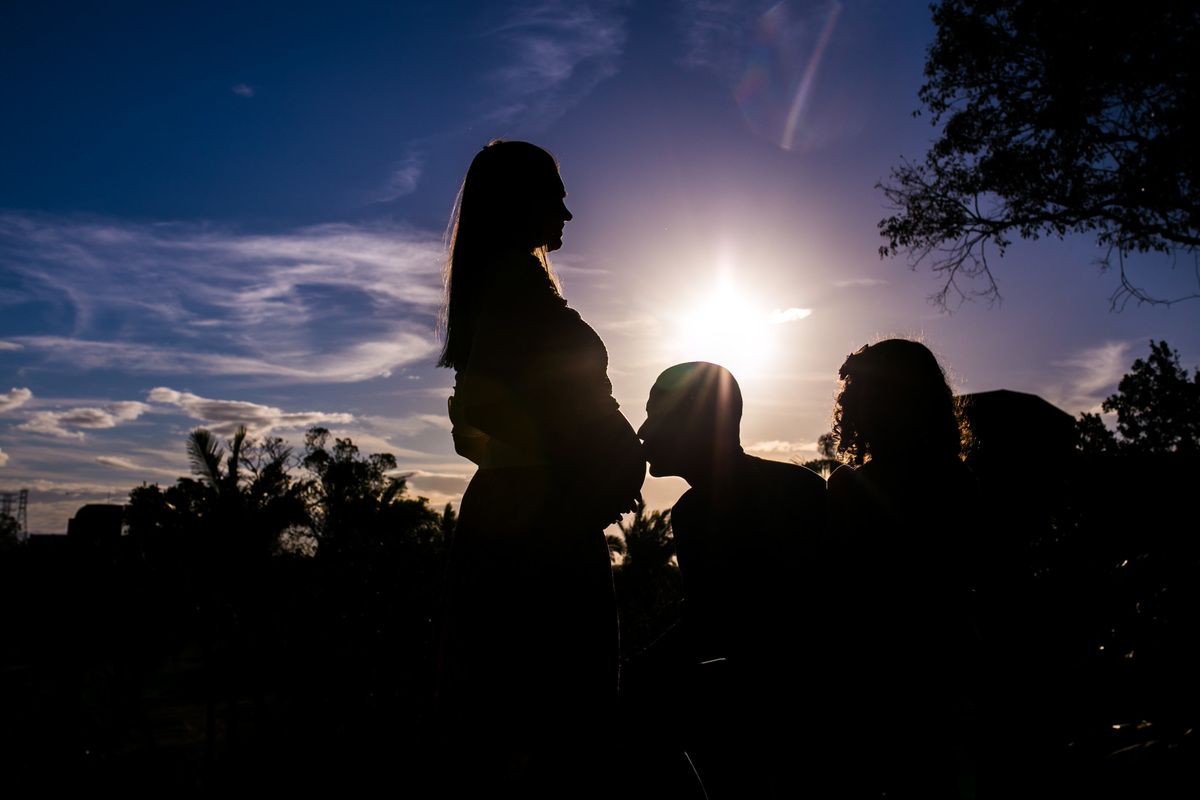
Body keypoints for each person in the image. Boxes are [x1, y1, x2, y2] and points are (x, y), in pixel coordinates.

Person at [434, 140, 644, 796]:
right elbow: (493, 413)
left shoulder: (512, 296)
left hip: (545, 527)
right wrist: (586, 477)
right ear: (515, 202)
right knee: (554, 732)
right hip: (539, 540)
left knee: (538, 731)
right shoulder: (512, 301)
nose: (567, 213)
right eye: (554, 195)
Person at [633, 362, 827, 798]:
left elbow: (711, 626)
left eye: (655, 416)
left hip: (798, 709)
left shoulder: (701, 512)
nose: (643, 432)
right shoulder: (799, 486)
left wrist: (634, 671)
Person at [826, 338, 980, 798]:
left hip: (896, 676)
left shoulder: (863, 487)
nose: (874, 408)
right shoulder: (958, 479)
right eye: (867, 395)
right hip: (938, 670)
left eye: (885, 395)